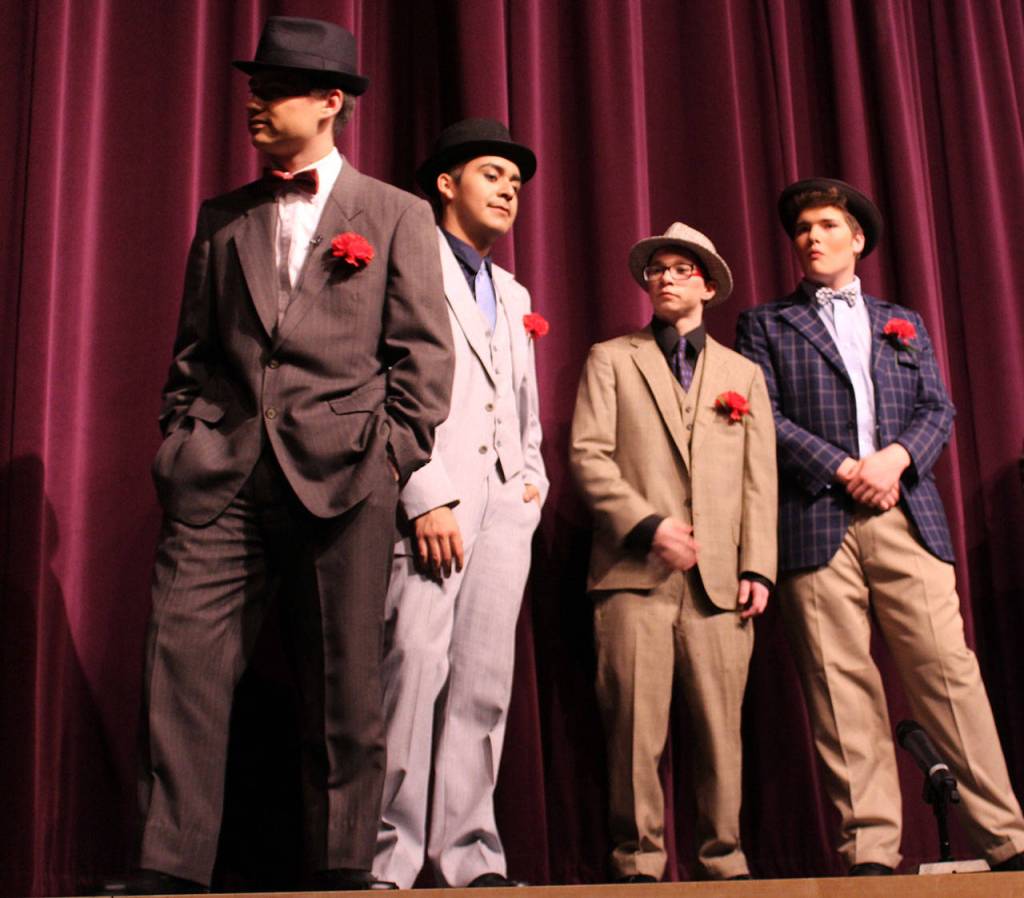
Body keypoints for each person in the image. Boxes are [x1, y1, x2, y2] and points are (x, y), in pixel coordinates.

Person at [112, 16, 452, 894]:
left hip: (346, 475)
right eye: (253, 88)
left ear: (330, 102)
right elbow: (191, 353)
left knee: (346, 679)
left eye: (274, 90)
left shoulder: (396, 214)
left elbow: (423, 359)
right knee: (178, 667)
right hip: (218, 474)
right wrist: (183, 437)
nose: (254, 105)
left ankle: (342, 863)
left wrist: (390, 457)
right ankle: (168, 865)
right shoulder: (222, 216)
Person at [735, 177, 1024, 875]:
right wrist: (841, 468)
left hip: (905, 517)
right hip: (816, 520)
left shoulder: (905, 321)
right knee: (840, 687)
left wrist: (893, 460)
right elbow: (763, 417)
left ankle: (1007, 840)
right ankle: (868, 848)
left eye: (828, 225)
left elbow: (937, 409)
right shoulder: (765, 324)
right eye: (803, 228)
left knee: (947, 675)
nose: (812, 237)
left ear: (857, 238)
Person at [570, 223, 776, 882]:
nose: (665, 277)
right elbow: (588, 454)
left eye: (681, 269)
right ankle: (638, 862)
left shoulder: (743, 374)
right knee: (632, 731)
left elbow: (759, 481)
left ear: (708, 286)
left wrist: (758, 567)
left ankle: (726, 858)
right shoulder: (612, 358)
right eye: (657, 268)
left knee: (723, 733)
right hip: (633, 576)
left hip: (720, 586)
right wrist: (646, 523)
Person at [373, 118, 547, 890]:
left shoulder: (512, 290)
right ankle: (389, 856)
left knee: (483, 683)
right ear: (446, 184)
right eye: (492, 174)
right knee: (413, 668)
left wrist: (530, 485)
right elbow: (381, 385)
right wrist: (423, 493)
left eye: (516, 182)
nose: (510, 189)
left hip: (505, 507)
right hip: (433, 500)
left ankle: (470, 854)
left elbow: (522, 406)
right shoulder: (406, 262)